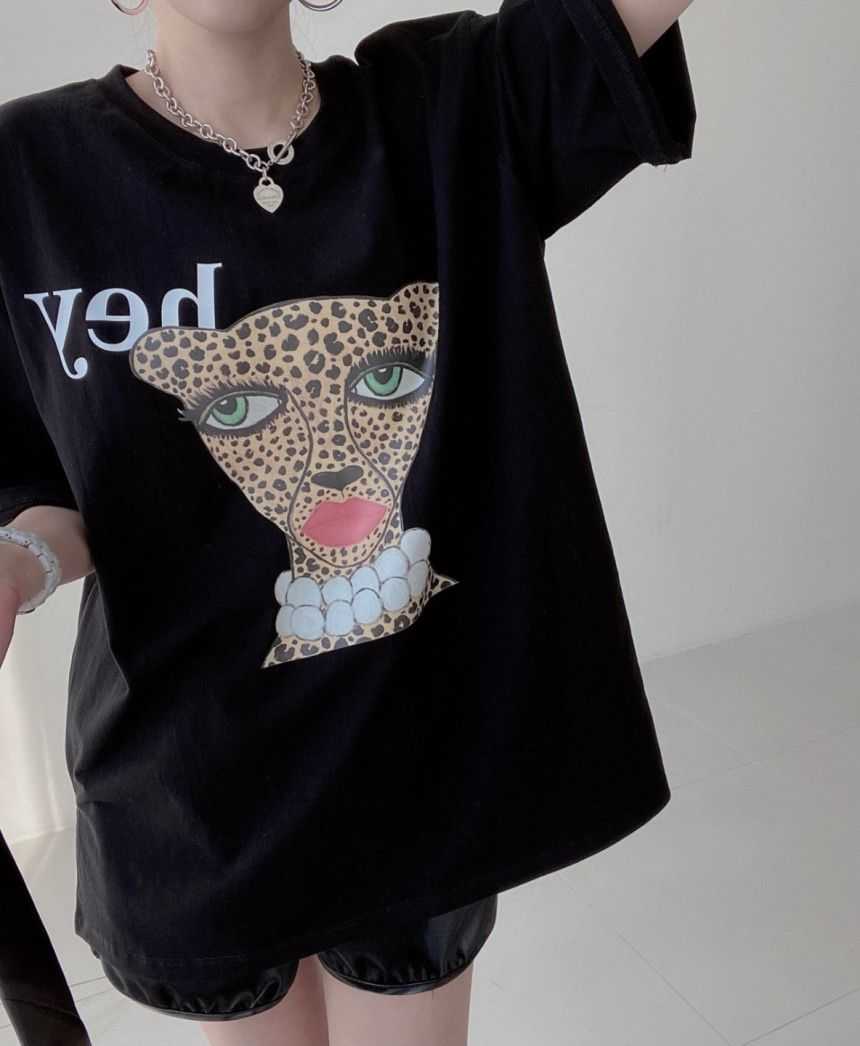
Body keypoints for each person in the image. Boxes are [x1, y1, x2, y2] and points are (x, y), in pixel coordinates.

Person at [0, 0, 697, 1043]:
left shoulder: (447, 106)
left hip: (415, 763)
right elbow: (42, 480)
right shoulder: (28, 172)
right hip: (197, 784)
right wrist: (16, 562)